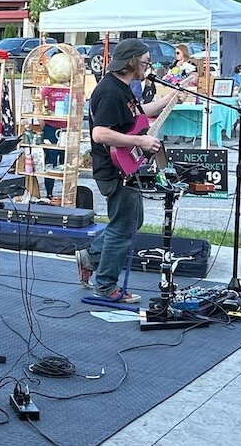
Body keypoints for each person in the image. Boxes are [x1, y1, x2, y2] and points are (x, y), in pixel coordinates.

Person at [75, 39, 183, 303]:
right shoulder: (110, 92)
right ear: (132, 61)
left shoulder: (123, 88)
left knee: (131, 222)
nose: (148, 65)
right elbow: (100, 133)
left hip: (124, 166)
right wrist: (141, 141)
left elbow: (139, 114)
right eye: (145, 60)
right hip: (114, 169)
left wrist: (169, 99)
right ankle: (106, 285)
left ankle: (90, 256)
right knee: (123, 227)